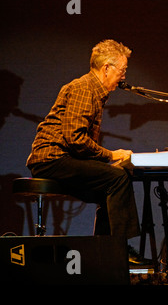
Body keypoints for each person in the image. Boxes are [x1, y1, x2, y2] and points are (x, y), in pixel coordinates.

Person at [26, 39, 145, 264]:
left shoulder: (94, 92)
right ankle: (119, 250)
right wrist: (111, 156)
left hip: (63, 157)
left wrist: (105, 164)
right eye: (122, 70)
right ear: (107, 68)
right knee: (117, 178)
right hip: (51, 158)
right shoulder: (84, 88)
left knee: (108, 188)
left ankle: (102, 252)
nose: (123, 77)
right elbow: (75, 139)